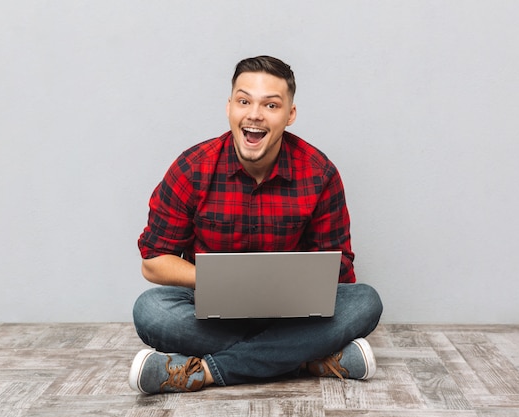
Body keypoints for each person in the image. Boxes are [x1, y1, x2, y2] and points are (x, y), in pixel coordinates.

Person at [129, 55, 383, 394]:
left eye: (271, 105)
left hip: (293, 316)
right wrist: (223, 281)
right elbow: (153, 262)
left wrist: (289, 287)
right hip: (211, 314)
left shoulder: (319, 173)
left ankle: (202, 372)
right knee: (151, 310)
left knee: (365, 301)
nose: (254, 114)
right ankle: (307, 358)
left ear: (290, 115)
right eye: (244, 101)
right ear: (229, 107)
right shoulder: (192, 168)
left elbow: (340, 272)